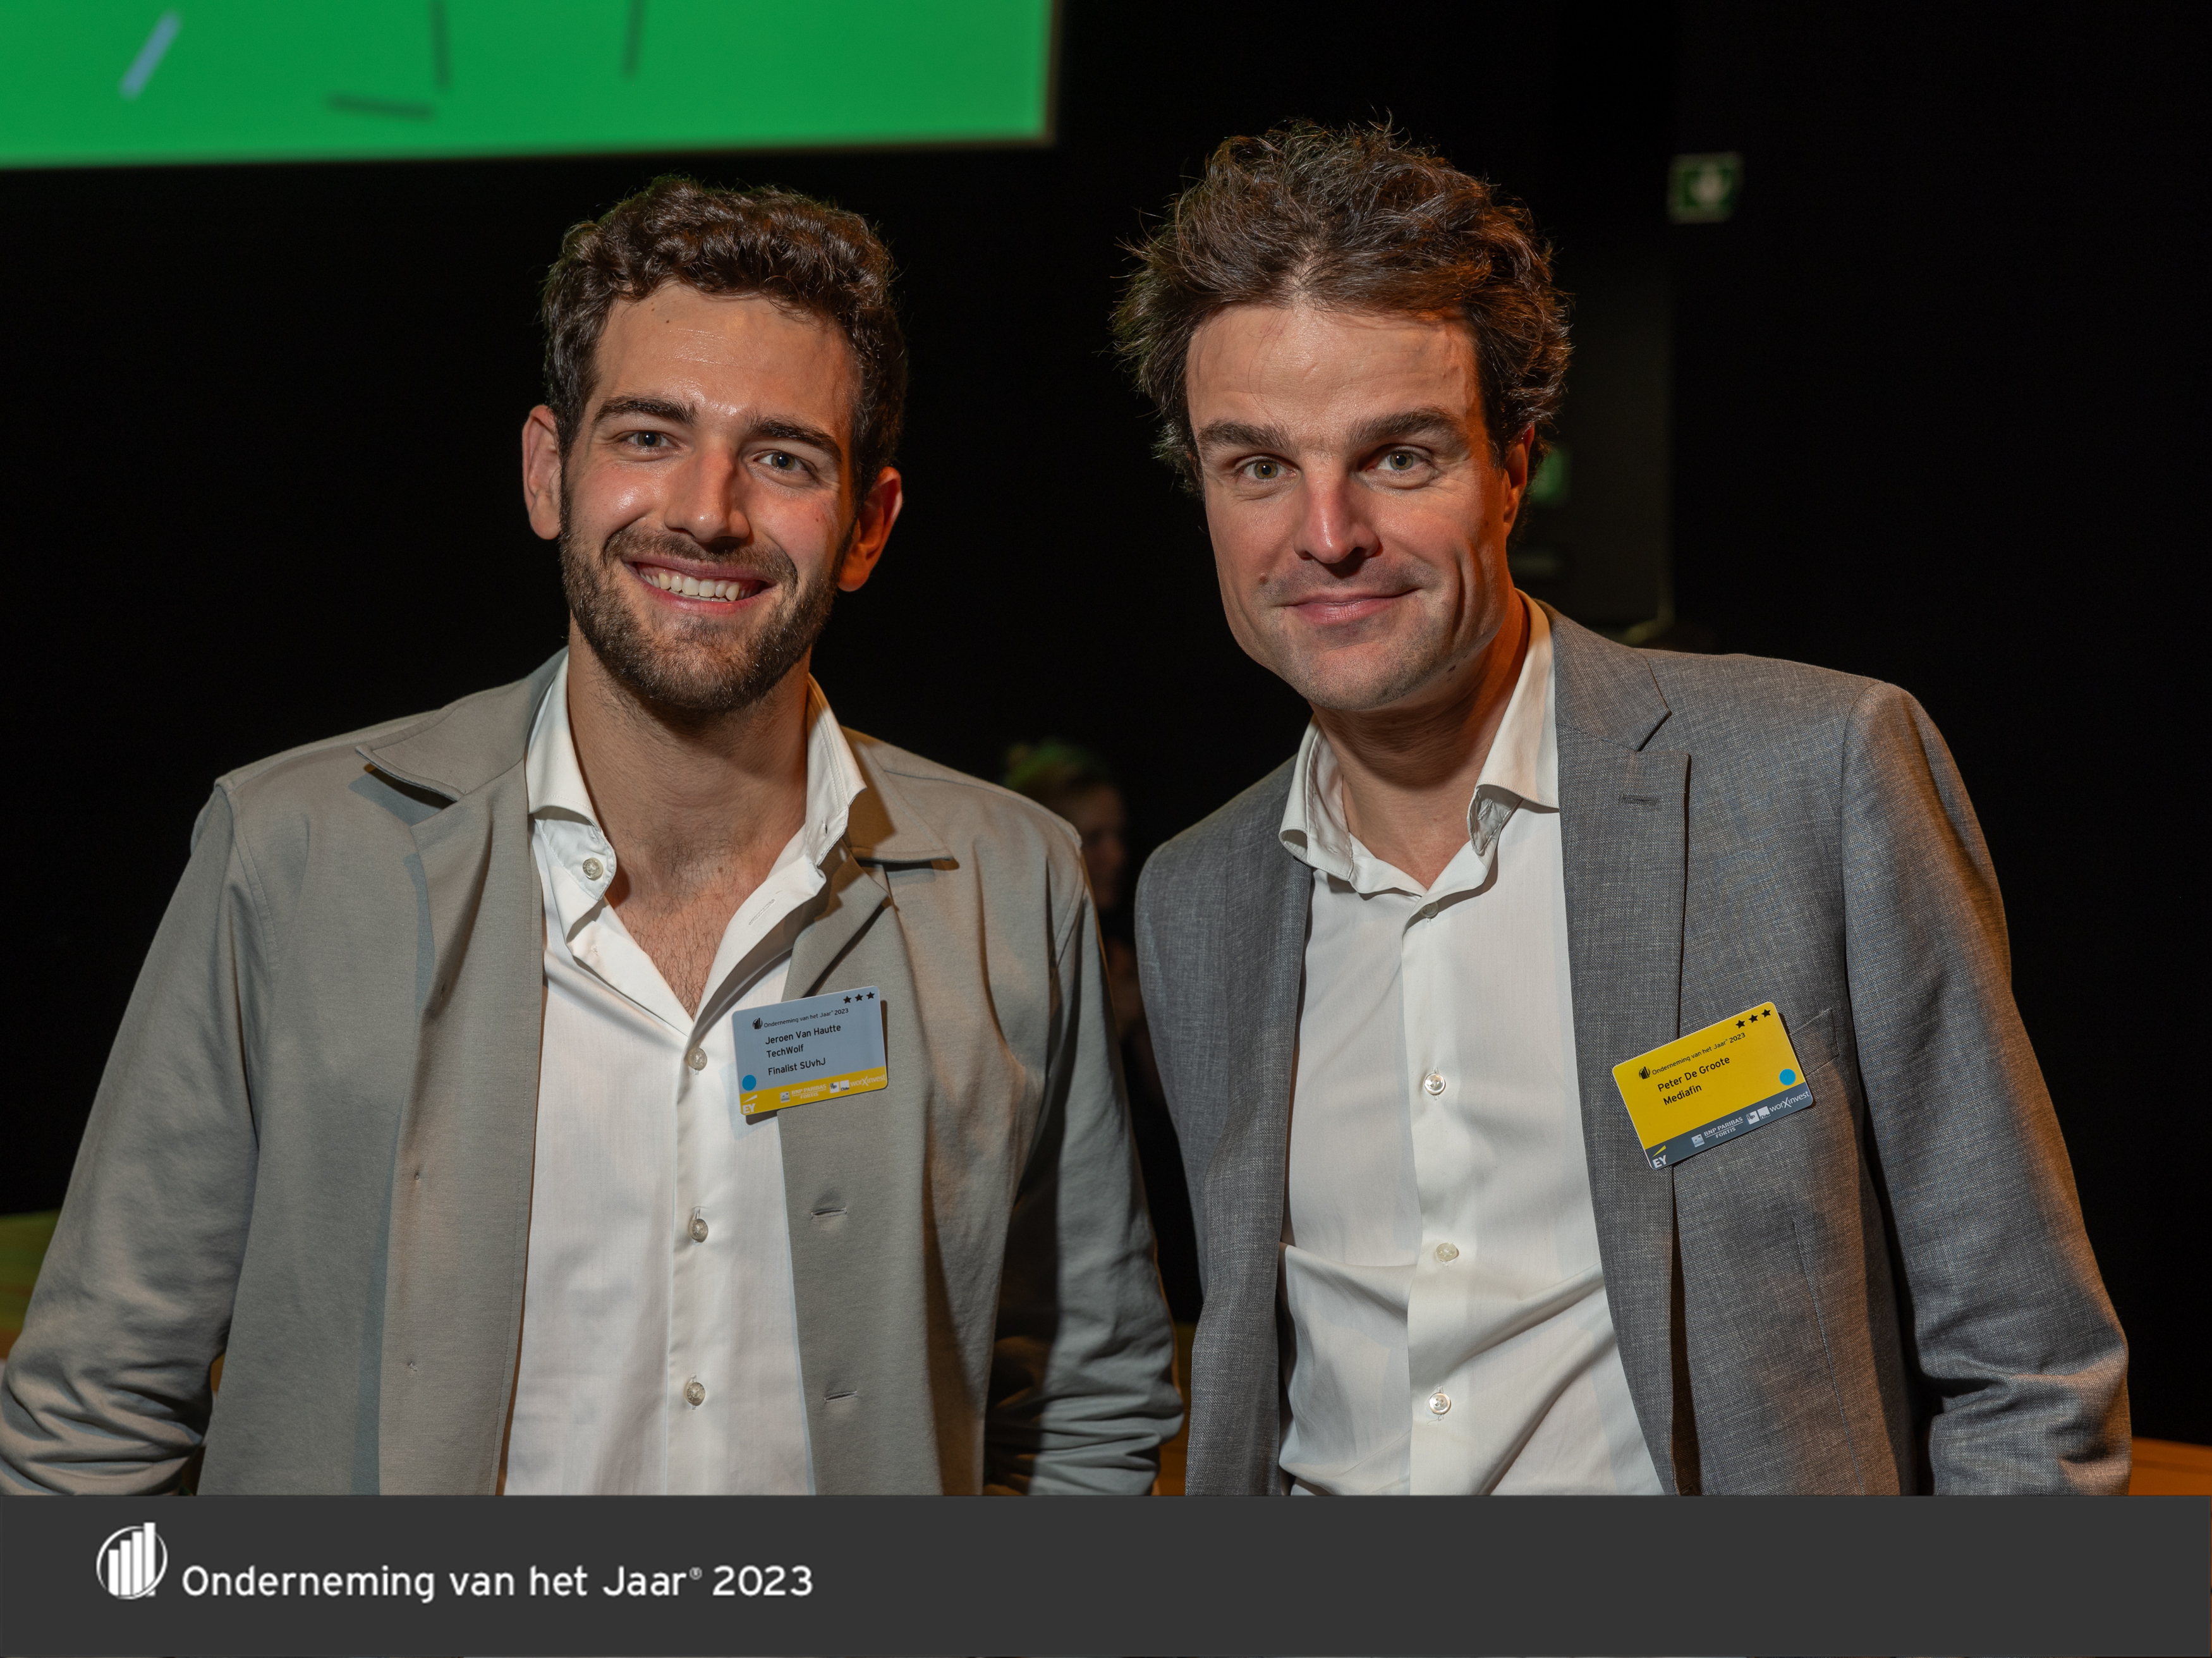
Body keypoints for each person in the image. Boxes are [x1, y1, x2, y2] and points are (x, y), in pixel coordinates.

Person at [1, 177, 1179, 1497]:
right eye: (649, 435)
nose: (708, 510)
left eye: (784, 458)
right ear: (546, 471)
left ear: (866, 527)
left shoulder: (1011, 884)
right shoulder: (292, 854)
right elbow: (91, 1419)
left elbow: (1085, 1405)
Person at [1117, 124, 2128, 1497]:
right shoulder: (1195, 896)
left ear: (1512, 467)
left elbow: (2031, 1373)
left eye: (1399, 457)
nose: (1328, 533)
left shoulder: (1815, 773)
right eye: (1258, 467)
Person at [1004, 741, 1201, 1320]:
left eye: (1119, 835)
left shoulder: (1129, 946)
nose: (1115, 854)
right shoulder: (1013, 962)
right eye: (1093, 839)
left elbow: (1183, 1114)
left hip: (1160, 1235)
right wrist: (1109, 1024)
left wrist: (1142, 1023)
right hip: (1059, 1260)